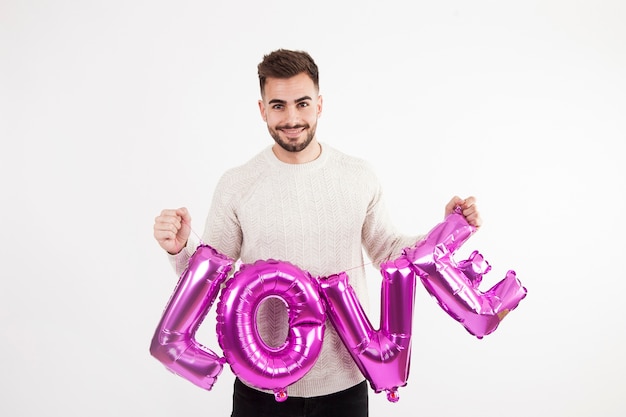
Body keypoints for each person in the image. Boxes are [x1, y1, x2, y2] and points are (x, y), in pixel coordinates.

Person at [153, 48, 482, 417]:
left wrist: (445, 232)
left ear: (320, 105)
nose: (292, 117)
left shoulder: (358, 176)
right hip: (260, 390)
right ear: (262, 110)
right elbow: (210, 279)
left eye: (302, 103)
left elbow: (388, 249)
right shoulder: (237, 185)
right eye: (278, 105)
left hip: (345, 384)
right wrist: (180, 249)